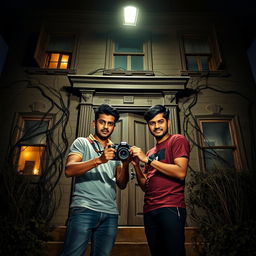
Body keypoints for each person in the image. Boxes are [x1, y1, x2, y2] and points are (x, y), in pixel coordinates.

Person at [60, 104, 130, 256]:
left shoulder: (115, 150)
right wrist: (99, 159)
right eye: (102, 122)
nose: (106, 127)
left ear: (114, 126)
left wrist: (125, 164)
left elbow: (122, 184)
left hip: (110, 213)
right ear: (94, 123)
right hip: (84, 209)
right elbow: (69, 169)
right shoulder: (82, 143)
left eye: (110, 123)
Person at [130, 104, 190, 256]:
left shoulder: (177, 140)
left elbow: (181, 172)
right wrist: (137, 165)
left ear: (168, 122)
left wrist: (147, 160)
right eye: (152, 123)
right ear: (148, 126)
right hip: (150, 210)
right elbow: (145, 186)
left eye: (160, 121)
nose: (156, 126)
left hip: (170, 206)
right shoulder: (151, 152)